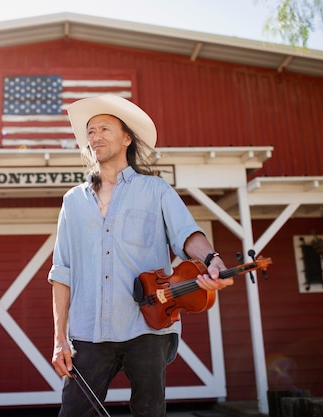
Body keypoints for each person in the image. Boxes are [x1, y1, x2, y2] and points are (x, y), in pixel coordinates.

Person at [48, 95, 233, 417]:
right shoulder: (73, 201)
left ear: (127, 138)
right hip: (89, 331)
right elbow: (61, 271)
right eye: (90, 131)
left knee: (149, 412)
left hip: (148, 327)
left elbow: (187, 235)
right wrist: (59, 339)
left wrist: (212, 258)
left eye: (104, 128)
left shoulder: (155, 190)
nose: (95, 137)